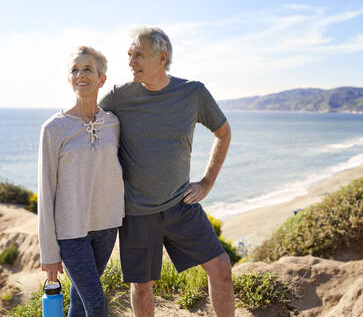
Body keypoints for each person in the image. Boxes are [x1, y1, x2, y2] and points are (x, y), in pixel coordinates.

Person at [99, 27, 234, 317]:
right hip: (136, 212)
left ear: (162, 58)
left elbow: (223, 133)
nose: (131, 62)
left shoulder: (192, 93)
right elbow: (89, 123)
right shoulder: (118, 97)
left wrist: (207, 181)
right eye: (129, 55)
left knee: (221, 267)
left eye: (138, 55)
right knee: (142, 287)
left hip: (181, 205)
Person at [38, 46, 124, 317]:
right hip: (70, 231)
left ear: (102, 79)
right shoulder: (53, 128)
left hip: (107, 226)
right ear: (69, 80)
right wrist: (49, 251)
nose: (80, 74)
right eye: (74, 70)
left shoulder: (113, 124)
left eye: (87, 69)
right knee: (97, 304)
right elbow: (46, 190)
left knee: (80, 300)